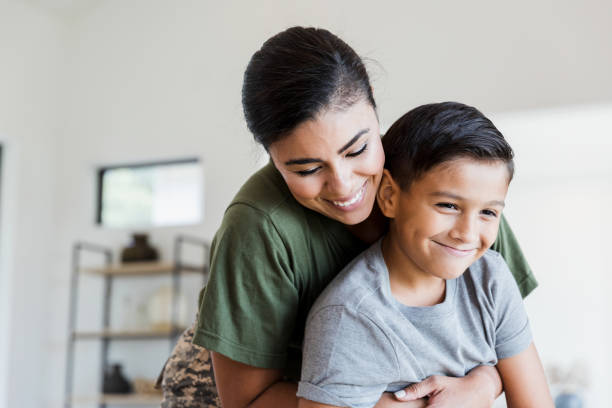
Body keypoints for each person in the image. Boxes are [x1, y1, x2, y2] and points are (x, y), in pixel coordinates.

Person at [158, 27, 537, 408]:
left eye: (358, 149)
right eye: (307, 169)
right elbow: (247, 399)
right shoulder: (259, 225)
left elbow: (504, 336)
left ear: (375, 115)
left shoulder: (450, 194)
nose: (343, 186)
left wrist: (483, 384)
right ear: (273, 160)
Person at [297, 102, 553, 408]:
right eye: (448, 206)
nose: (467, 233)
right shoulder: (349, 317)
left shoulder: (491, 279)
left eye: (488, 212)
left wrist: (486, 381)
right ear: (389, 196)